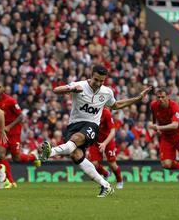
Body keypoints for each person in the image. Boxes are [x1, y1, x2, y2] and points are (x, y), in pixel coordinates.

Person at [40, 65, 151, 197]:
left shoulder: (107, 92)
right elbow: (56, 90)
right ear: (91, 75)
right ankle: (105, 185)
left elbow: (116, 105)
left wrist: (137, 99)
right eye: (96, 79)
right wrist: (71, 89)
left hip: (92, 126)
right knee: (76, 155)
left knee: (76, 140)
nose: (98, 83)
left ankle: (50, 152)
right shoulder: (79, 85)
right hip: (74, 125)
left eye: (101, 81)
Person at [0, 81, 40, 188]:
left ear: (3, 88)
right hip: (1, 132)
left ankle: (33, 156)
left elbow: (21, 116)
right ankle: (10, 181)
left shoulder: (10, 101)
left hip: (14, 132)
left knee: (16, 158)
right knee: (0, 153)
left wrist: (9, 127)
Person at [148, 88, 179, 189]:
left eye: (163, 97)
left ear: (168, 97)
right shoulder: (153, 105)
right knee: (166, 164)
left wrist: (159, 127)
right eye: (158, 97)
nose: (160, 99)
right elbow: (153, 119)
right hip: (166, 137)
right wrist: (153, 126)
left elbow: (175, 125)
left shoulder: (174, 106)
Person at [88, 107, 124, 189]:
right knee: (94, 163)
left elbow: (113, 132)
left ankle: (119, 180)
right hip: (95, 140)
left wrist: (104, 143)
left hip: (108, 140)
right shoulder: (90, 111)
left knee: (112, 164)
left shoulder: (106, 113)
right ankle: (106, 174)